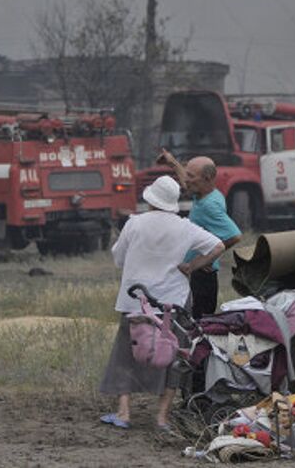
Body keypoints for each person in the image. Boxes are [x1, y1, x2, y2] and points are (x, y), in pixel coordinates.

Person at [99, 175, 224, 430]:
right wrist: (192, 266)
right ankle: (162, 417)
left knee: (126, 355)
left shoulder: (134, 224)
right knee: (175, 358)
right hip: (172, 302)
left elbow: (118, 258)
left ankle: (124, 413)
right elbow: (218, 246)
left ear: (151, 199)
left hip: (136, 299)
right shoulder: (185, 227)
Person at [157, 149, 242, 319]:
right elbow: (186, 183)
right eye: (187, 174)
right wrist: (173, 162)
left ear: (207, 179)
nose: (186, 180)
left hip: (203, 276)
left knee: (200, 324)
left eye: (191, 176)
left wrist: (207, 257)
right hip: (196, 273)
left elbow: (235, 235)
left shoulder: (209, 206)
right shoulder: (205, 194)